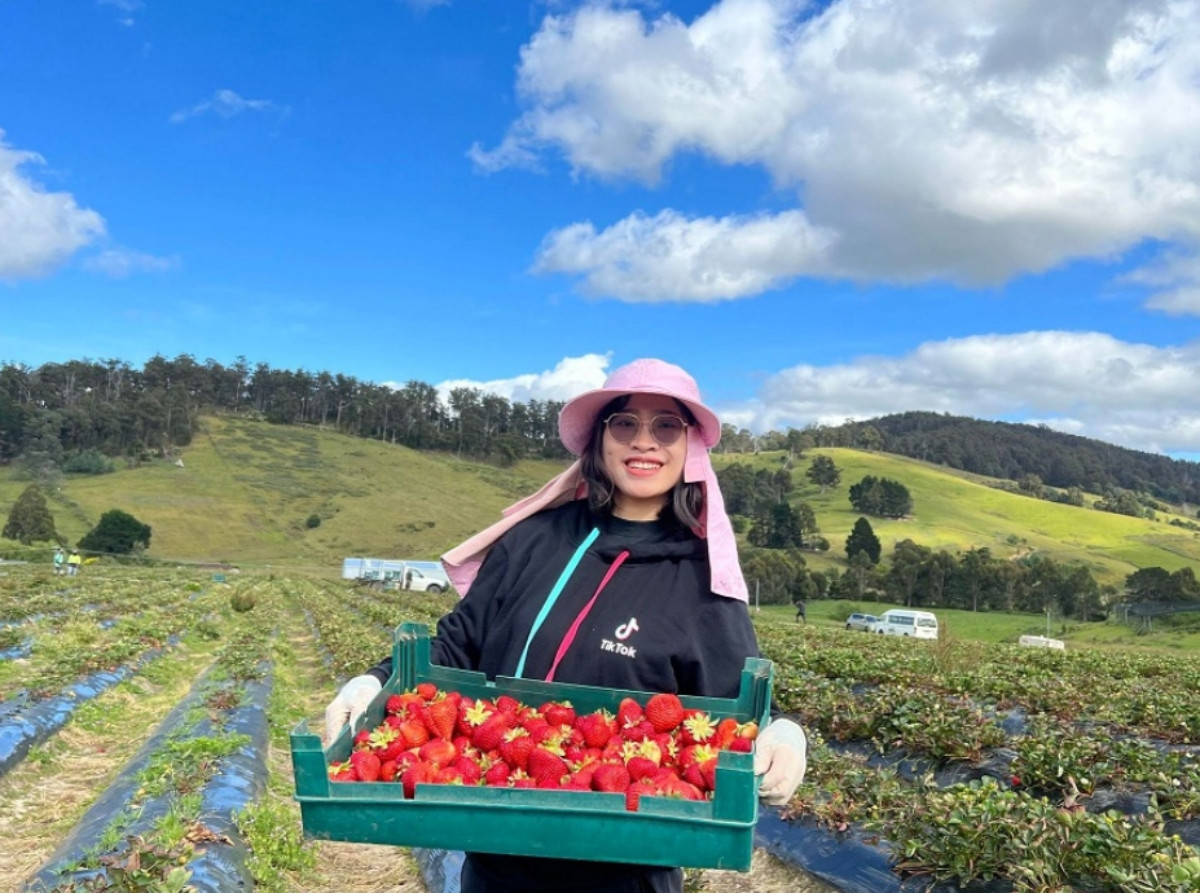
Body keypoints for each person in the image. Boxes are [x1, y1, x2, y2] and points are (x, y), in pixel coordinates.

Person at [325, 358, 808, 893]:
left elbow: (740, 707)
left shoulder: (702, 578)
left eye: (666, 426)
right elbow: (457, 645)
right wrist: (375, 678)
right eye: (625, 423)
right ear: (600, 440)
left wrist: (781, 732)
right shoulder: (536, 540)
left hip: (627, 871)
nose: (644, 441)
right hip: (496, 854)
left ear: (690, 445)